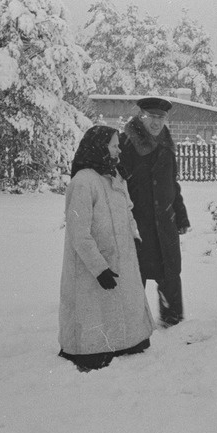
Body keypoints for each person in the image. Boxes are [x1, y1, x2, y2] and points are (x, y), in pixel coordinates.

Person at [58, 125, 155, 372]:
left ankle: (125, 342)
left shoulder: (115, 177)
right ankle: (91, 350)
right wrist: (99, 267)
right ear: (99, 148)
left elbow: (128, 210)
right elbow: (78, 233)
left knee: (119, 306)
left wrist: (134, 238)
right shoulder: (83, 183)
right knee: (95, 313)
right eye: (113, 145)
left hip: (121, 257)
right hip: (92, 266)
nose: (118, 149)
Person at [118, 97, 190, 327]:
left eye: (161, 117)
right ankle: (133, 322)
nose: (157, 122)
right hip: (139, 221)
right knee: (135, 272)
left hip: (164, 220)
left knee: (169, 270)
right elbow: (118, 184)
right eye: (152, 117)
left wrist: (180, 214)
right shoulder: (126, 143)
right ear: (141, 116)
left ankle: (172, 319)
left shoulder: (167, 145)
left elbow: (172, 183)